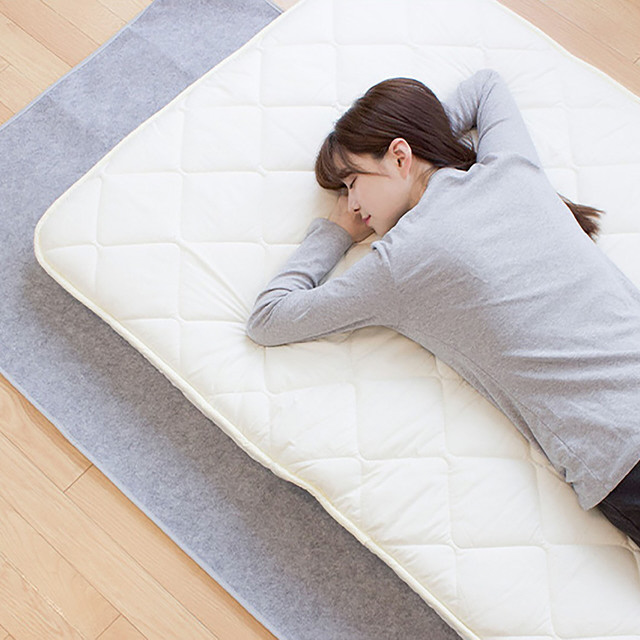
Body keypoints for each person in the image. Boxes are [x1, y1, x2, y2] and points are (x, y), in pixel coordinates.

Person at [246, 68, 640, 547]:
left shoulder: (401, 263)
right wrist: (427, 139)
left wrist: (335, 234)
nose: (349, 205)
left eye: (351, 182)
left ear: (399, 155)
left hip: (619, 453)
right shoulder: (509, 166)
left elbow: (268, 318)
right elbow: (487, 85)